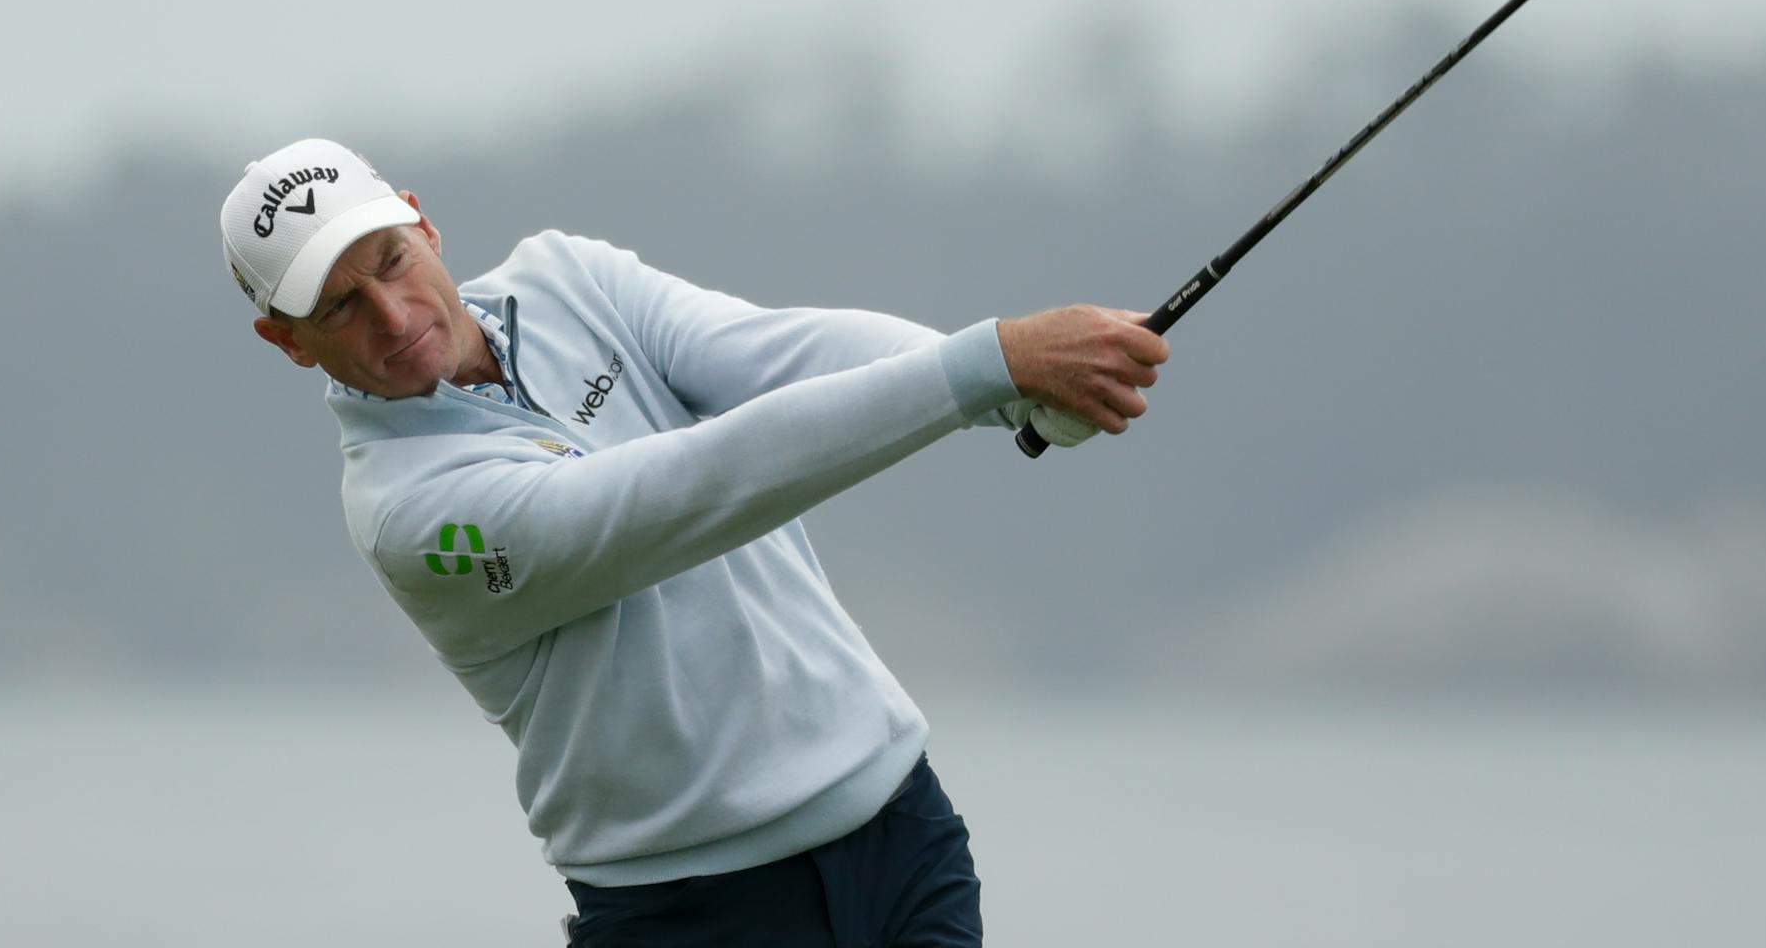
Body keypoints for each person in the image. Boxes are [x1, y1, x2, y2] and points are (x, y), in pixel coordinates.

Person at [220, 137, 1169, 946]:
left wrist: (1007, 395)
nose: (391, 314)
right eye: (338, 306)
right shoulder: (410, 516)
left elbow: (779, 353)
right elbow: (691, 492)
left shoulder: (568, 279)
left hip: (897, 828)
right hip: (688, 908)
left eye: (388, 262)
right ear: (287, 342)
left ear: (425, 227)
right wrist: (989, 361)